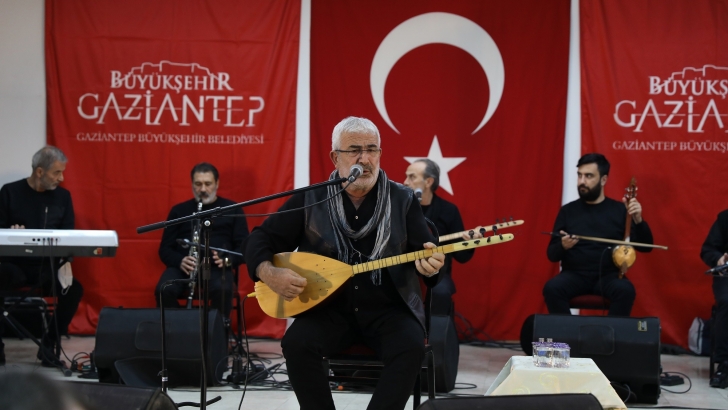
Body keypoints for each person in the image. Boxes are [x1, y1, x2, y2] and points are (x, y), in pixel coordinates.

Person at [245, 116, 445, 410]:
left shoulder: (403, 200)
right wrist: (268, 272)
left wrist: (432, 265)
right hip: (328, 310)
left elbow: (425, 255)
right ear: (335, 157)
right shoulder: (311, 199)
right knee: (297, 343)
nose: (364, 159)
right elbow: (261, 239)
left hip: (388, 310)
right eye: (354, 150)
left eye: (371, 149)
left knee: (410, 346)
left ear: (380, 154)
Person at [0, 146, 83, 367]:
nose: (61, 178)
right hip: (13, 266)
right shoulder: (9, 192)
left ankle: (48, 344)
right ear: (39, 172)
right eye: (57, 172)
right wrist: (10, 233)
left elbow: (68, 235)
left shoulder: (63, 197)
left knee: (74, 289)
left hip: (46, 268)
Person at [543, 153, 653, 316]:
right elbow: (552, 254)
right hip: (574, 275)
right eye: (579, 175)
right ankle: (569, 331)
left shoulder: (619, 211)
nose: (582, 181)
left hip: (609, 276)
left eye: (588, 176)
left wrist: (638, 219)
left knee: (625, 290)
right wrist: (563, 245)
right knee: (552, 288)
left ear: (603, 179)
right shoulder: (567, 211)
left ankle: (610, 332)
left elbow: (646, 246)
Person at [155, 162, 249, 319]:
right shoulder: (179, 211)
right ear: (192, 184)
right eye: (198, 184)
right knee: (164, 289)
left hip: (216, 268)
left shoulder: (232, 209)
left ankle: (216, 332)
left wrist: (228, 259)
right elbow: (165, 249)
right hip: (184, 267)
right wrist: (180, 261)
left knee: (222, 290)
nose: (203, 189)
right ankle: (178, 329)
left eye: (208, 184)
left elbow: (244, 247)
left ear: (217, 183)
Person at [403, 158, 481, 316]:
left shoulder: (449, 210)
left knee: (441, 291)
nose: (405, 182)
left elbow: (461, 256)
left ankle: (435, 331)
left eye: (412, 177)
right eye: (406, 176)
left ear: (428, 182)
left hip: (436, 271)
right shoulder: (401, 208)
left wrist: (471, 242)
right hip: (404, 269)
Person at [701, 209, 728, 388]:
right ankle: (724, 364)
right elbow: (708, 250)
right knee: (727, 301)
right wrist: (719, 259)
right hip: (727, 276)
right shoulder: (725, 218)